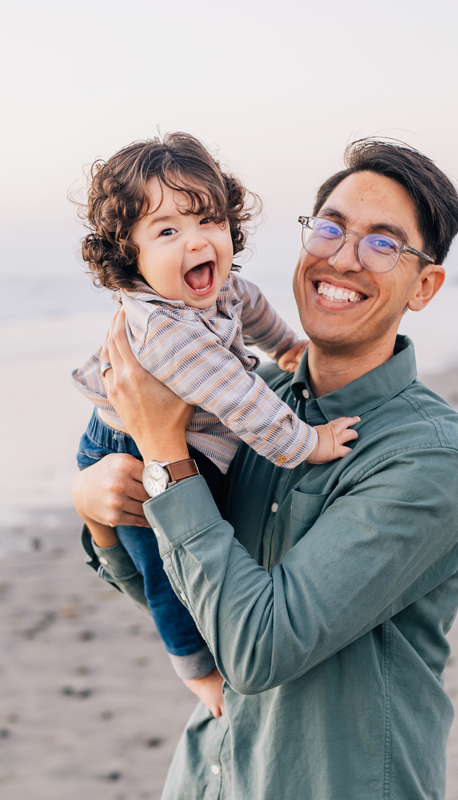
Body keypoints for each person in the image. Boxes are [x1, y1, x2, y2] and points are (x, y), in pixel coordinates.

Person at [72, 138, 458, 800]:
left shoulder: (426, 458)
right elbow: (187, 587)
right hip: (208, 778)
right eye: (330, 228)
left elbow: (257, 649)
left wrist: (163, 452)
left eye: (382, 244)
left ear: (424, 285)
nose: (342, 257)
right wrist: (99, 514)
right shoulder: (249, 400)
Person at [72, 132, 358, 709]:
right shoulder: (166, 331)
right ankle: (195, 668)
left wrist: (285, 347)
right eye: (167, 231)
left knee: (204, 552)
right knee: (165, 571)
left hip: (183, 440)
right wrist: (308, 442)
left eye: (208, 220)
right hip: (126, 446)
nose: (197, 242)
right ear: (130, 255)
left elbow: (248, 303)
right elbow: (242, 401)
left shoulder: (215, 287)